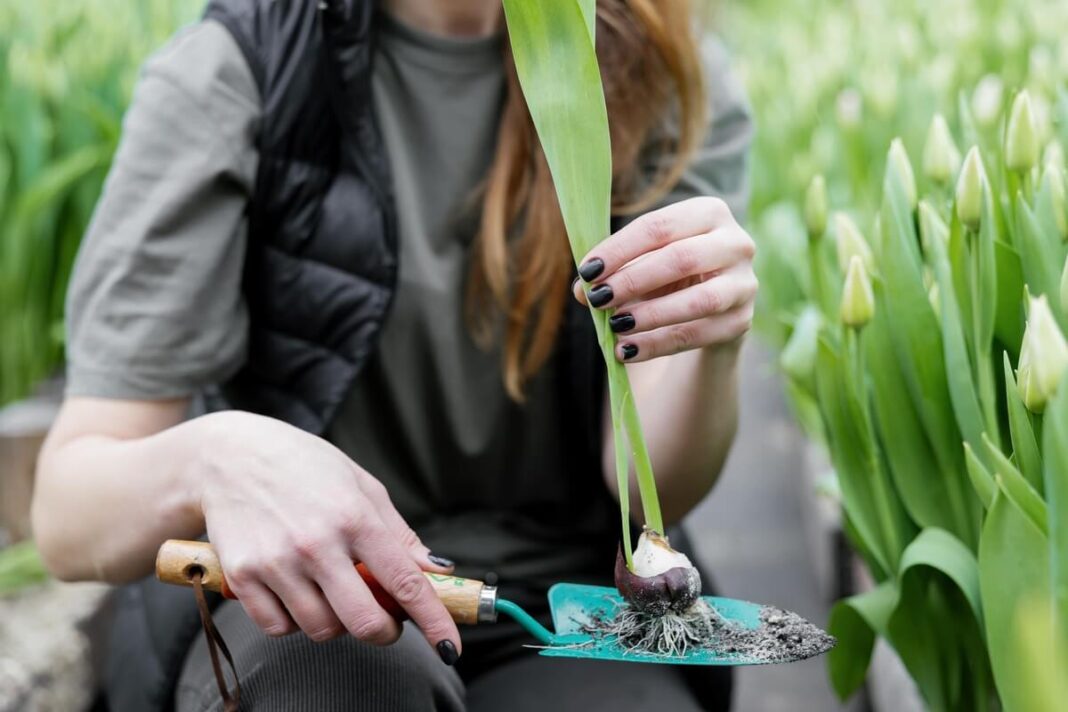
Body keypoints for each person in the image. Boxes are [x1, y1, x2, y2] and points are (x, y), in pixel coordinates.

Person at [31, 0, 755, 709]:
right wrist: (214, 458)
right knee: (341, 684)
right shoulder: (245, 66)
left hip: (553, 603)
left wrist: (711, 342)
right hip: (299, 600)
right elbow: (70, 515)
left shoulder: (654, 63)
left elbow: (647, 487)